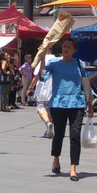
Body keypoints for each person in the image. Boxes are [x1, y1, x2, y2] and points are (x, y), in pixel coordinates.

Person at [39, 38, 93, 181]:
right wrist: (43, 56)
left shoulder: (78, 63)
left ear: (74, 50)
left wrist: (90, 103)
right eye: (64, 46)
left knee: (75, 135)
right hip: (58, 103)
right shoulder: (54, 63)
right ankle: (56, 158)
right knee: (59, 134)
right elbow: (42, 76)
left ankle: (73, 167)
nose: (66, 49)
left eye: (69, 47)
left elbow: (85, 83)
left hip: (77, 103)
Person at [28, 42, 61, 138]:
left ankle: (48, 124)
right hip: (54, 88)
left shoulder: (43, 59)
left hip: (43, 87)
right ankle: (50, 129)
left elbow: (37, 76)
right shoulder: (57, 59)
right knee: (49, 109)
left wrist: (30, 87)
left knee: (41, 107)